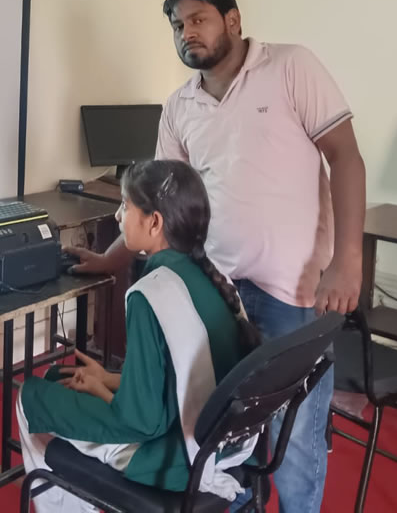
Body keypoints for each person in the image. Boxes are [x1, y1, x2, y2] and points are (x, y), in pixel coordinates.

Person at [67, 0, 366, 512]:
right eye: (178, 25)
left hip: (294, 293)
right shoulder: (179, 106)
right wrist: (112, 258)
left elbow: (346, 157)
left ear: (233, 20)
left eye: (198, 19)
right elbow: (160, 199)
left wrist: (346, 262)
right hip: (216, 293)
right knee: (224, 432)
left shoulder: (290, 67)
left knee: (295, 439)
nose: (187, 33)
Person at [18, 160, 261, 512]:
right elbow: (181, 378)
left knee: (30, 397)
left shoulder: (149, 295)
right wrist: (108, 380)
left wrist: (101, 390)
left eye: (125, 205)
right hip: (221, 444)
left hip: (171, 459)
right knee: (59, 377)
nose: (119, 216)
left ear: (154, 222)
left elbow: (142, 422)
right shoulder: (214, 278)